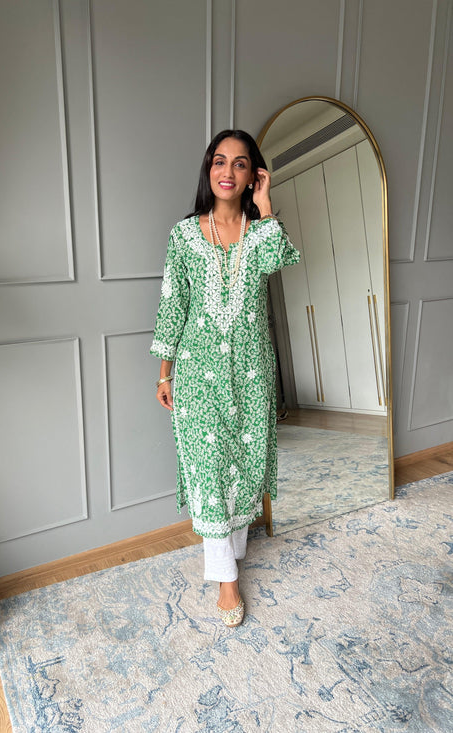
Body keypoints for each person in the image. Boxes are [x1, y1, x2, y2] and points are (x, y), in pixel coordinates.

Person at [150, 129, 300, 627]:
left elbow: (278, 259)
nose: (228, 172)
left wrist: (266, 204)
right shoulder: (184, 235)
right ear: (208, 170)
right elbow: (173, 303)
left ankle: (231, 551)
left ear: (253, 173)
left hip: (252, 372)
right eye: (220, 161)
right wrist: (165, 372)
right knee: (209, 467)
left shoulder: (261, 234)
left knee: (245, 464)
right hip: (198, 373)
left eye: (240, 163)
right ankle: (225, 579)